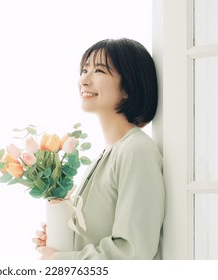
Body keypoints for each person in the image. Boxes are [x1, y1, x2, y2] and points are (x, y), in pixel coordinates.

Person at [33, 38, 165, 260]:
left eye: (99, 71)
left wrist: (60, 261)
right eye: (84, 70)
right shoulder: (109, 153)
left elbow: (133, 252)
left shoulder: (136, 151)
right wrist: (62, 239)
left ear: (128, 87)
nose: (84, 80)